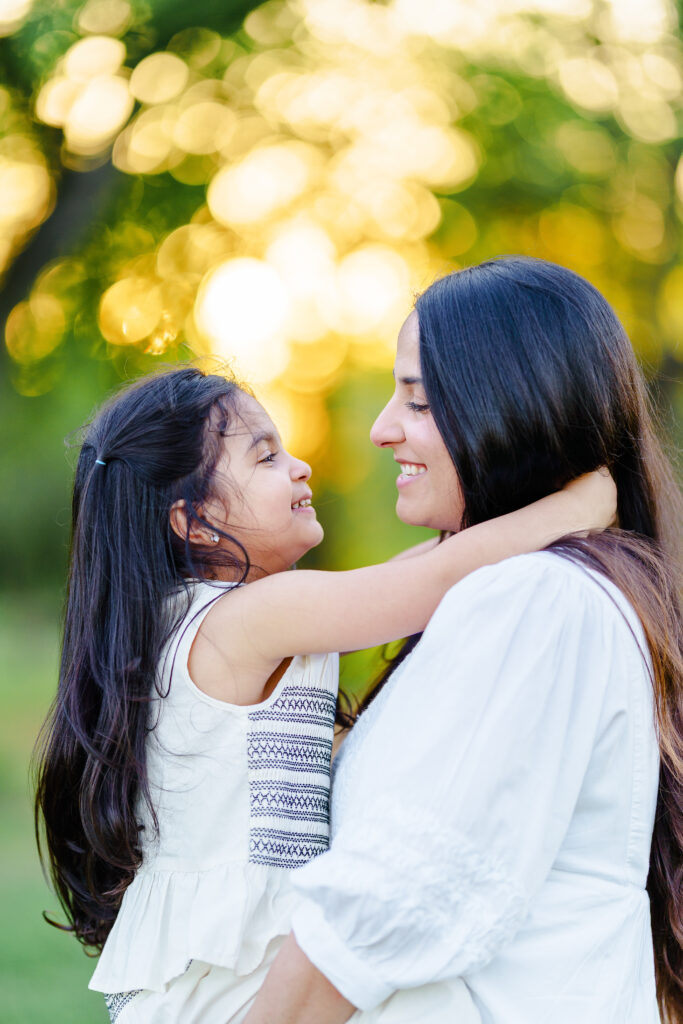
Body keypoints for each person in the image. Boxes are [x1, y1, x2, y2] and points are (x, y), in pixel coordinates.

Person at [34, 366, 611, 1024]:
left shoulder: (213, 619)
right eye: (267, 456)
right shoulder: (244, 620)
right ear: (194, 521)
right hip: (229, 985)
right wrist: (574, 509)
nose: (301, 466)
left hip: (227, 973)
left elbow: (414, 571)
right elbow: (436, 581)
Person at [243, 256, 683, 1024]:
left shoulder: (533, 601)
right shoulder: (554, 589)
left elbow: (387, 899)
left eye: (416, 400)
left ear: (510, 406)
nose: (382, 429)